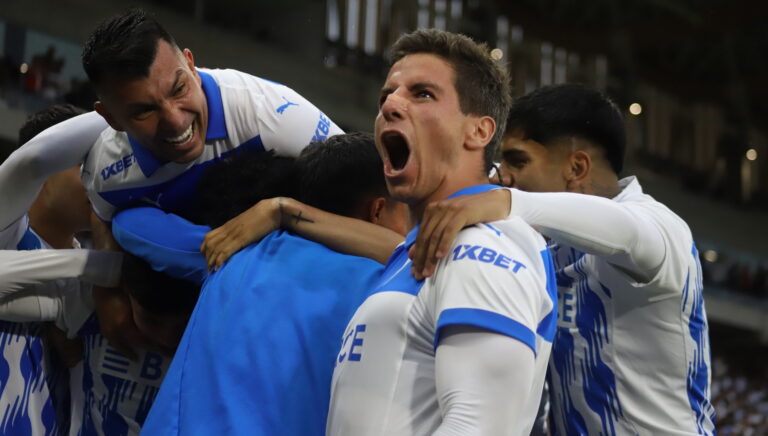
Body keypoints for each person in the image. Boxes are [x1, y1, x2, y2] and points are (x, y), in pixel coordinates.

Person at [408, 84, 715, 435]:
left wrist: (507, 200)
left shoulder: (661, 228)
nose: (503, 176)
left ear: (577, 167)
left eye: (518, 160)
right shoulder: (540, 244)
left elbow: (625, 231)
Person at [325, 29, 556, 436]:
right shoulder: (418, 251)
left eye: (423, 94)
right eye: (387, 95)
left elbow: (478, 427)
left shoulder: (479, 245)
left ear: (479, 132)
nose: (391, 105)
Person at [110, 133, 408, 435]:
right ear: (378, 210)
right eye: (409, 213)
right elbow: (417, 254)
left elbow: (129, 222)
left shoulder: (234, 248)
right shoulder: (391, 285)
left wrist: (282, 211)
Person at [0, 245, 199, 436]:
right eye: (152, 322)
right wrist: (105, 267)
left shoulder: (220, 338)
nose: (168, 338)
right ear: (128, 294)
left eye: (182, 327)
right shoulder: (93, 305)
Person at [0, 103, 95, 436]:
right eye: (88, 164)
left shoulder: (92, 283)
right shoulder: (8, 233)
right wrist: (124, 109)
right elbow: (33, 159)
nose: (100, 179)